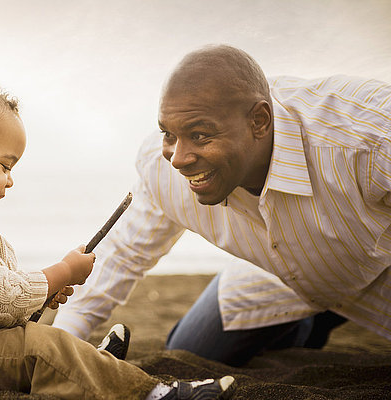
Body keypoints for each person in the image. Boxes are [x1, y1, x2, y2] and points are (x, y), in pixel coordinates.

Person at [0, 69, 235, 399]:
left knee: (39, 340)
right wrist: (61, 272)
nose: (10, 180)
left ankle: (91, 368)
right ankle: (151, 393)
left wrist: (43, 296)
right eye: (4, 165)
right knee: (43, 347)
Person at [53, 44, 391, 367]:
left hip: (378, 266)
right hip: (275, 275)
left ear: (259, 121)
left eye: (200, 135)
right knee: (188, 350)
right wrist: (59, 344)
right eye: (168, 134)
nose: (179, 158)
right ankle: (306, 329)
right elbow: (123, 254)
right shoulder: (162, 167)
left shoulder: (367, 138)